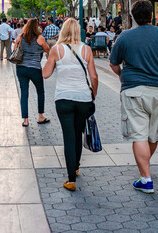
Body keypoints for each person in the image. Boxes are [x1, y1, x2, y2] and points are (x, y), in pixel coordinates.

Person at [109, 0, 158, 195]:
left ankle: (146, 179)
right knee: (153, 134)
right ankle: (145, 168)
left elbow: (113, 63)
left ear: (133, 16)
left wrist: (122, 75)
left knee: (139, 135)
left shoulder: (124, 37)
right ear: (152, 15)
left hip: (133, 90)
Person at [42, 18, 97, 192]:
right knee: (78, 132)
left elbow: (45, 74)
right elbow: (94, 77)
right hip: (83, 99)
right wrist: (93, 95)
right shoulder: (86, 49)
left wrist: (47, 59)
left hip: (63, 98)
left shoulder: (56, 50)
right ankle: (76, 166)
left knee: (68, 136)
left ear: (63, 31)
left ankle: (71, 179)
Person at [13, 18, 51, 127]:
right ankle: (40, 116)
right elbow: (47, 50)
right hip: (35, 68)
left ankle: (25, 120)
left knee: (24, 93)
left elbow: (15, 50)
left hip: (21, 68)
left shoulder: (20, 37)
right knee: (40, 91)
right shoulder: (40, 38)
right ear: (36, 26)